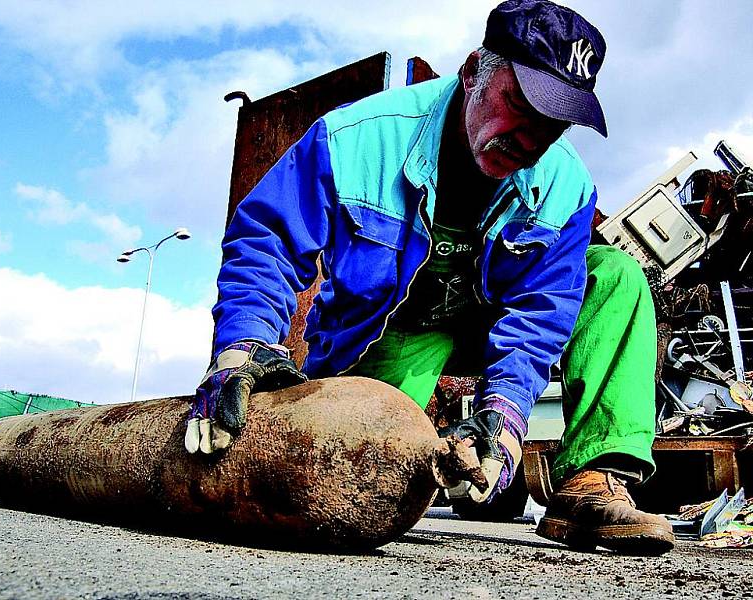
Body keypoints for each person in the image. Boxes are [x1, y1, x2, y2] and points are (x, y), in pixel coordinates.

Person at [185, 0, 675, 554]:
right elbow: (268, 241)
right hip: (396, 328)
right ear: (472, 72)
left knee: (614, 275)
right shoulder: (357, 138)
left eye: (554, 123)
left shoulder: (568, 187)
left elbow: (544, 309)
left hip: (491, 321)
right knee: (360, 472)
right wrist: (241, 347)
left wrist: (505, 416)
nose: (531, 139)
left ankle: (591, 481)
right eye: (519, 103)